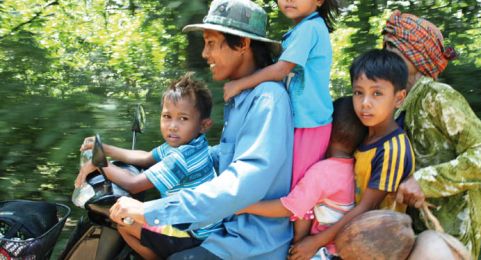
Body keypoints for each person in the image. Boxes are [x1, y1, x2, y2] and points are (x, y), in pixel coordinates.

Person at [109, 0, 294, 259]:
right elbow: (221, 155)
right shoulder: (241, 98)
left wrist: (152, 209)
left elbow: (239, 184)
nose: (205, 54)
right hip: (223, 231)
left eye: (211, 43)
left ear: (242, 44)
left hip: (249, 244)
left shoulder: (267, 99)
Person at [382, 10, 481, 259]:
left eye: (393, 46)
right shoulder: (398, 103)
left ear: (415, 54)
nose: (385, 53)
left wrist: (425, 181)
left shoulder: (437, 95)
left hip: (448, 240)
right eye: (385, 45)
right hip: (410, 239)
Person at [223, 0, 339, 242]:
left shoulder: (309, 29)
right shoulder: (300, 29)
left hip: (310, 124)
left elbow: (280, 71)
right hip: (300, 122)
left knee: (300, 190)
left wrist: (239, 84)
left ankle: (297, 248)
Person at [76, 73, 221, 259]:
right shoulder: (191, 144)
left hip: (190, 233)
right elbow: (145, 158)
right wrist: (104, 149)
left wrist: (100, 163)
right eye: (167, 116)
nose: (173, 126)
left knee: (124, 223)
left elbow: (133, 184)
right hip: (200, 224)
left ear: (204, 125)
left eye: (183, 118)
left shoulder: (182, 157)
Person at [289, 49, 416, 259]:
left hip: (377, 245)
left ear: (399, 98)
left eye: (377, 93)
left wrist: (315, 242)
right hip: (349, 240)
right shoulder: (365, 135)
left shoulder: (393, 148)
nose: (365, 102)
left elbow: (367, 207)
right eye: (359, 92)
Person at [236, 96, 367, 259]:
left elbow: (290, 207)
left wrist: (245, 206)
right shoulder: (353, 168)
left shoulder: (324, 172)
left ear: (328, 129)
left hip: (325, 253)